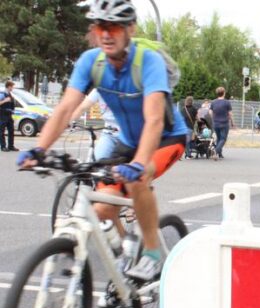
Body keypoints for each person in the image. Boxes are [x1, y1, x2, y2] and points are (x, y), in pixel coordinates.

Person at [17, 0, 189, 286]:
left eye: (113, 27)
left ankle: (153, 253)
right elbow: (64, 109)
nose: (106, 34)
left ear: (129, 29)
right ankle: (126, 259)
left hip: (166, 138)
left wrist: (138, 164)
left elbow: (154, 119)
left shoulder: (148, 62)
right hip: (127, 141)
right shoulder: (91, 61)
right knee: (101, 209)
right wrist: (39, 149)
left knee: (137, 179)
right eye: (99, 26)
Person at [70, 87, 121, 160]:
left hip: (129, 136)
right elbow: (82, 108)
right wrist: (68, 121)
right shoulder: (99, 89)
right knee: (96, 162)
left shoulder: (126, 88)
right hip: (109, 134)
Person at [209, 87, 234, 159]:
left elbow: (210, 112)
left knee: (219, 138)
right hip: (224, 123)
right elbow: (230, 114)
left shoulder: (213, 102)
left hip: (216, 123)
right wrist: (232, 122)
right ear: (224, 93)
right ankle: (216, 151)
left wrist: (213, 118)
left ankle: (219, 154)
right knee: (223, 139)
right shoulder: (227, 102)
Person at [0, 81, 18, 152]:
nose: (13, 88)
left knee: (11, 130)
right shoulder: (2, 94)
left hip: (9, 115)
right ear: (9, 86)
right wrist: (5, 100)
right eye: (12, 86)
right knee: (1, 131)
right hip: (2, 115)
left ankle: (11, 146)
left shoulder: (10, 94)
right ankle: (3, 146)